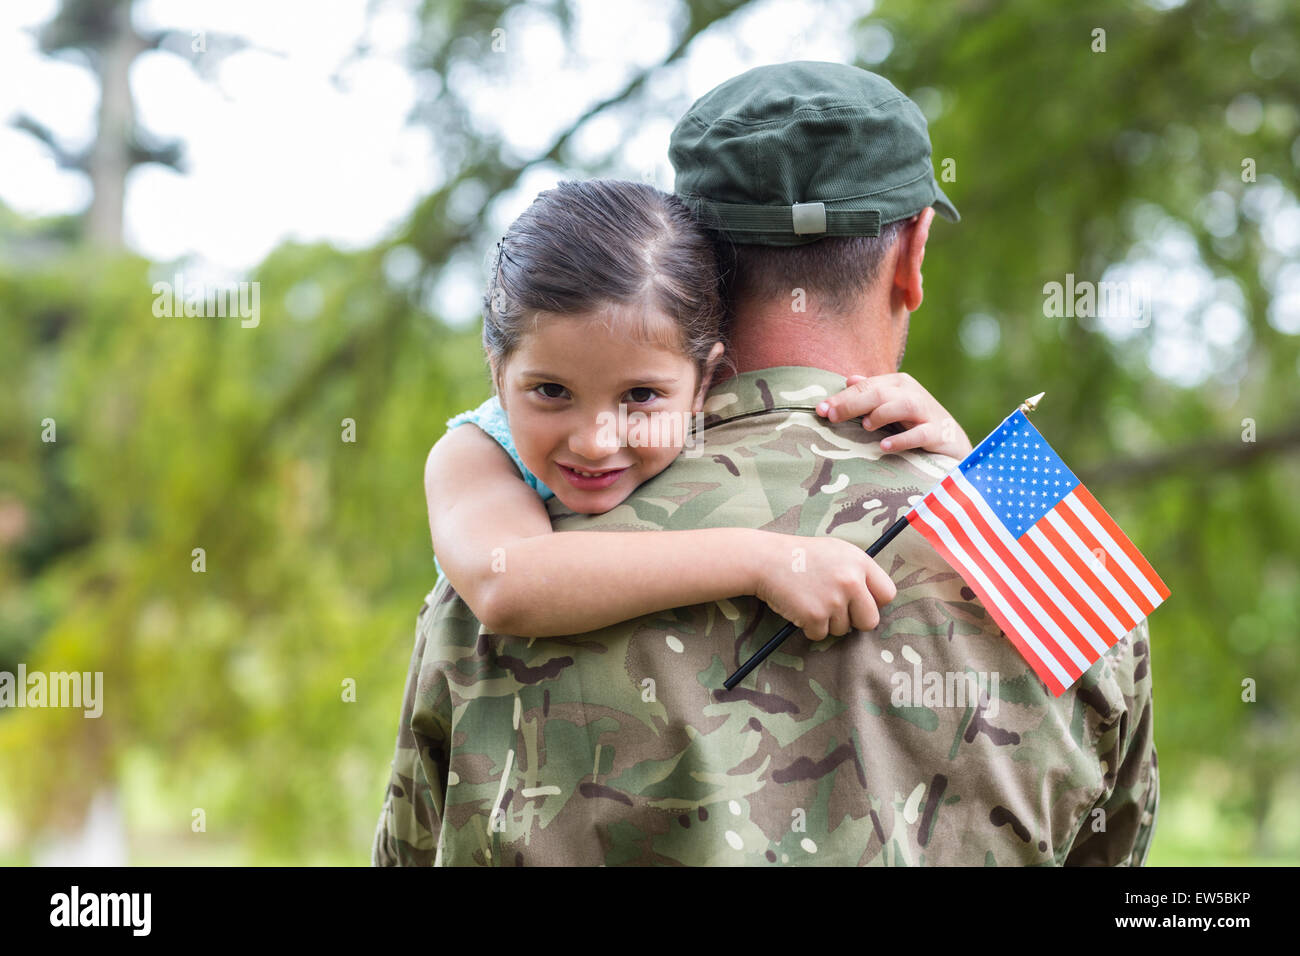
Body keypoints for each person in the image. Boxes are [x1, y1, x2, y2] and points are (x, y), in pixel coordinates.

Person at [373, 61, 1158, 866]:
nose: (595, 439)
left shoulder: (527, 550)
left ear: (692, 261)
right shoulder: (1053, 552)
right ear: (912, 254)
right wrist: (972, 481)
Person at [422, 178, 965, 648]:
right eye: (550, 391)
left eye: (639, 397)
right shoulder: (476, 453)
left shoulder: (721, 430)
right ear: (498, 373)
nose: (593, 440)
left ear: (705, 381)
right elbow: (506, 586)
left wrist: (958, 456)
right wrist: (764, 562)